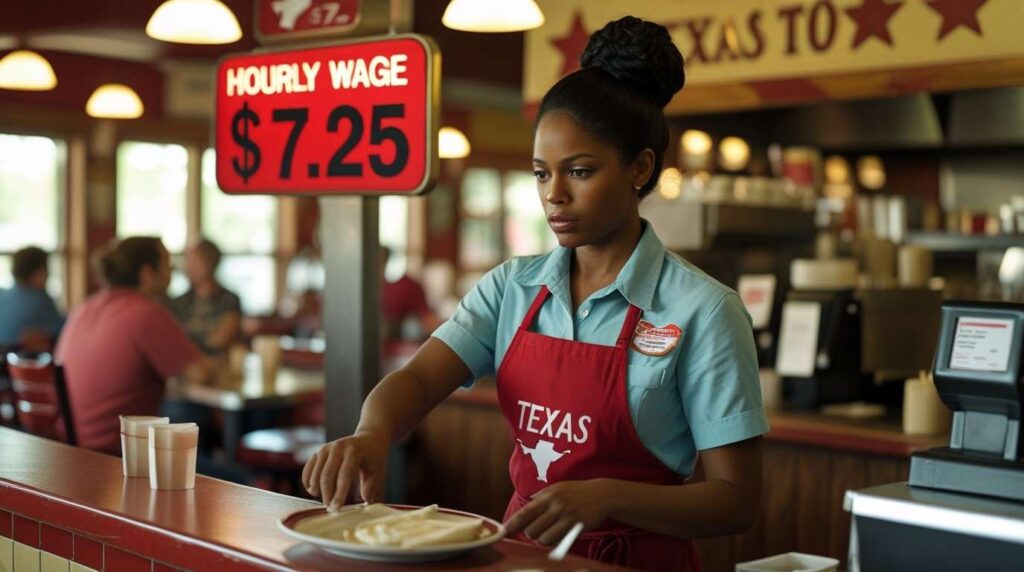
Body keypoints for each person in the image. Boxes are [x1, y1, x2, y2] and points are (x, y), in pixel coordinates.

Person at [302, 16, 768, 570]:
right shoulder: (512, 287)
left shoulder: (705, 310)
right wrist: (372, 433)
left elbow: (736, 501)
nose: (556, 197)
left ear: (640, 168)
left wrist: (612, 497)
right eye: (542, 174)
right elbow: (421, 377)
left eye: (580, 171)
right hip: (524, 557)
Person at [55, 237, 215, 454]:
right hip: (117, 458)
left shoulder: (84, 307)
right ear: (147, 274)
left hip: (68, 451)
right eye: (167, 265)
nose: (173, 270)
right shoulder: (146, 313)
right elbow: (200, 374)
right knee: (238, 478)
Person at [170, 237, 243, 355]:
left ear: (210, 263)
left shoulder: (229, 300)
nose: (188, 268)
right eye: (188, 262)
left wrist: (188, 339)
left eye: (194, 262)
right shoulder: (179, 303)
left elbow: (221, 340)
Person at [0, 246, 64, 351]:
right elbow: (66, 331)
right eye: (46, 269)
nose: (48, 274)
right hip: (29, 363)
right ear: (38, 272)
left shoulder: (2, 296)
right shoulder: (41, 300)